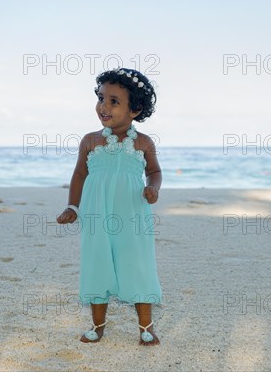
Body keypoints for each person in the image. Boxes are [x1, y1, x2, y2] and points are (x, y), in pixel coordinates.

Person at [57, 68, 163, 346]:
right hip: (96, 213)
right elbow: (79, 175)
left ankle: (146, 328)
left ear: (135, 110)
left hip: (132, 213)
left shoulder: (143, 142)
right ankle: (98, 325)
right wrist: (73, 206)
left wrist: (153, 188)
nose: (104, 106)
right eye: (101, 98)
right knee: (97, 261)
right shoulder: (90, 141)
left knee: (137, 263)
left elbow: (155, 171)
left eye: (114, 101)